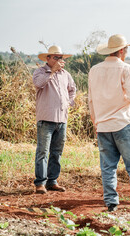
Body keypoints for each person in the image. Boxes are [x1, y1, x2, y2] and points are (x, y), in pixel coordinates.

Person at [88, 34, 130, 212]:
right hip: (123, 123)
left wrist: (95, 122)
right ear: (121, 50)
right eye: (126, 50)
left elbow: (91, 100)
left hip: (103, 125)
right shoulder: (125, 68)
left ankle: (111, 203)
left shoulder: (94, 70)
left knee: (108, 167)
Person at [33, 45, 76, 194]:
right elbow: (39, 84)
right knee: (43, 152)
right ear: (48, 58)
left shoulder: (66, 74)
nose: (59, 60)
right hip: (46, 118)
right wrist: (52, 71)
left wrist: (69, 102)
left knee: (57, 152)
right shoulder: (40, 72)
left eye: (61, 58)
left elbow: (72, 89)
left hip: (62, 119)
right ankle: (40, 183)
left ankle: (52, 181)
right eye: (56, 57)